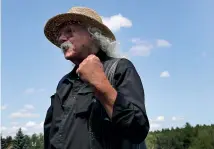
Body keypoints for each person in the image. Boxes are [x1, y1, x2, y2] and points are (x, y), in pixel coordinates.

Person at [43, 6, 150, 149]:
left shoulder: (119, 69)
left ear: (93, 33)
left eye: (69, 31)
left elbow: (137, 129)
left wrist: (101, 85)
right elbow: (52, 136)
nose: (62, 39)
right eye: (60, 35)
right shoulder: (64, 83)